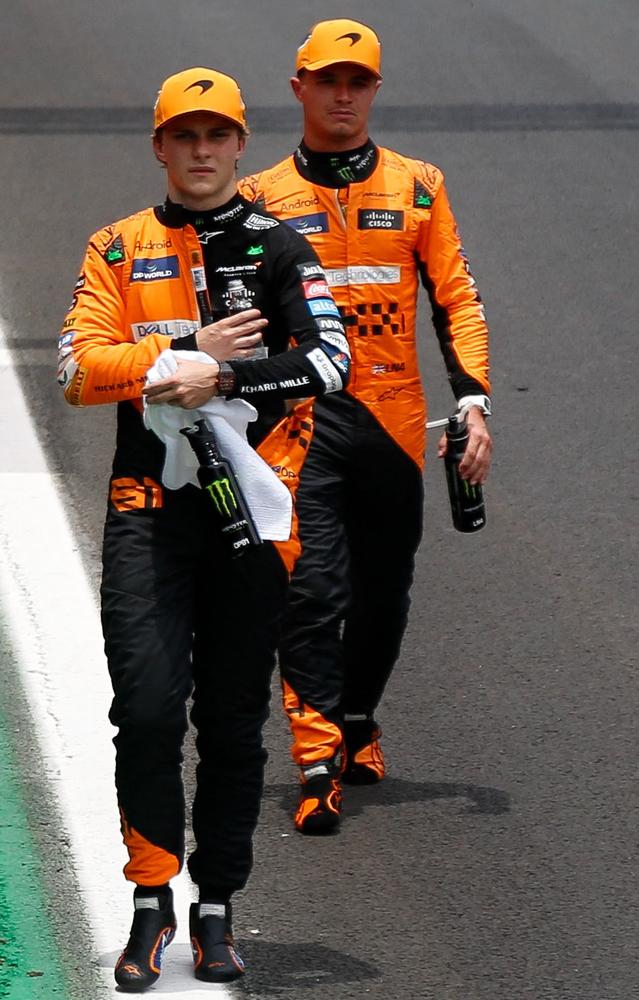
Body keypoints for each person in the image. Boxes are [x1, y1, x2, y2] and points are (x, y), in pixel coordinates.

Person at [58, 67, 349, 989]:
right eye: (183, 136)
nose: (200, 151)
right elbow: (76, 368)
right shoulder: (116, 247)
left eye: (216, 135)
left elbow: (332, 360)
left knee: (229, 722)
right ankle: (150, 903)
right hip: (149, 514)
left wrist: (224, 381)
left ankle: (216, 906)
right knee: (145, 711)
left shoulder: (279, 248)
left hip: (252, 521)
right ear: (159, 146)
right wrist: (175, 358)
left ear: (238, 142)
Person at [239, 19, 492, 835]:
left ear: (375, 90)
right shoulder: (261, 197)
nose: (342, 96)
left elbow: (456, 298)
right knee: (311, 589)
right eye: (327, 81)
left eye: (358, 82)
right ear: (299, 89)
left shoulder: (420, 185)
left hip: (394, 420)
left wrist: (475, 403)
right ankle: (317, 760)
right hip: (301, 422)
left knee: (384, 596)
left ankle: (355, 720)